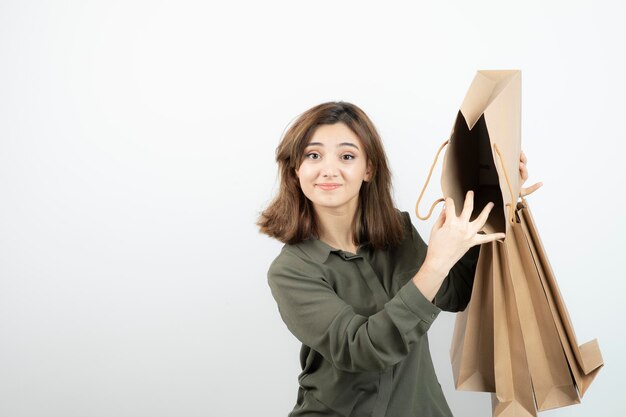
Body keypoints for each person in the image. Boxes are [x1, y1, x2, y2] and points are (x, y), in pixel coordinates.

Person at [257, 101, 542, 417]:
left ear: (368, 169)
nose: (328, 169)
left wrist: (492, 198)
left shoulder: (397, 231)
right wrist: (435, 262)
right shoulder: (291, 270)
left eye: (347, 156)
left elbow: (454, 293)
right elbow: (362, 349)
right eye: (313, 155)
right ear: (295, 169)